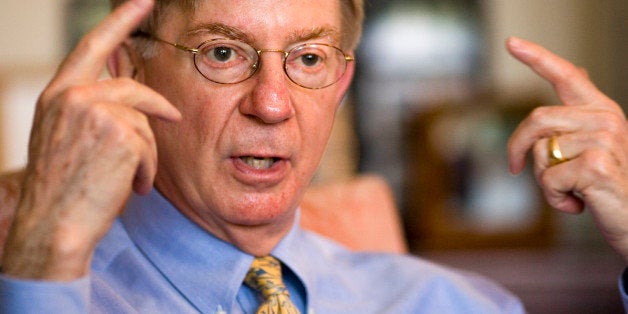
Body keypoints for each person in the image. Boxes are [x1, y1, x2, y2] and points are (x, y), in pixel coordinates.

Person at [0, 0, 626, 312]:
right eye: (222, 53)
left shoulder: (448, 303)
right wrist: (43, 261)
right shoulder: (41, 288)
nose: (272, 105)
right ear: (128, 68)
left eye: (307, 59)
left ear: (341, 86)